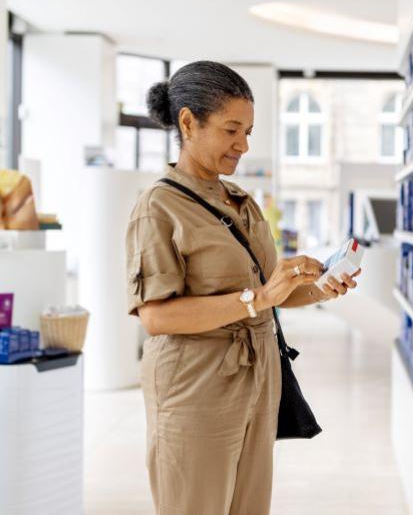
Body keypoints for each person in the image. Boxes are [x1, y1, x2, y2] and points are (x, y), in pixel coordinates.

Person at [125, 61, 360, 515]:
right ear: (189, 123)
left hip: (256, 382)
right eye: (232, 129)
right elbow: (155, 315)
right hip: (194, 387)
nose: (244, 145)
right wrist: (256, 300)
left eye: (248, 131)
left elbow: (274, 293)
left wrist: (323, 288)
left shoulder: (240, 201)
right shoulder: (158, 207)